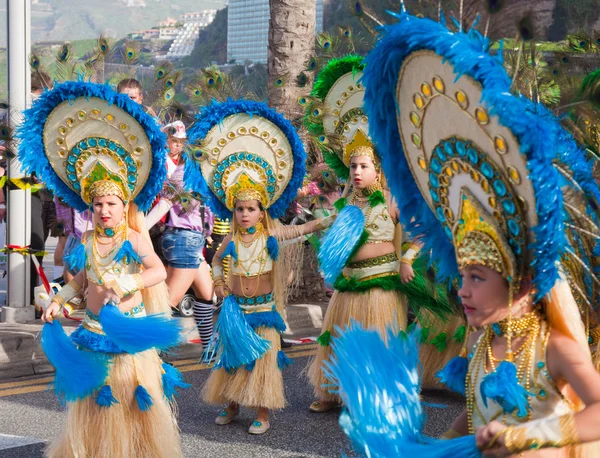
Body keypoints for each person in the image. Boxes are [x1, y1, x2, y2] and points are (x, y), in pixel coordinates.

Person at [325, 12, 600, 457]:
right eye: (464, 275)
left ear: (522, 285)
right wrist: (435, 446)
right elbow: (476, 417)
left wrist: (530, 434)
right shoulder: (482, 340)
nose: (463, 290)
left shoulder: (555, 347)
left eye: (476, 278)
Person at [18, 80, 185, 458]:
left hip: (126, 341)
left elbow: (158, 272)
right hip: (92, 334)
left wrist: (128, 280)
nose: (105, 210)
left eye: (111, 203)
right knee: (96, 408)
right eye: (98, 205)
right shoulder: (91, 241)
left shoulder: (135, 239)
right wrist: (60, 300)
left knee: (128, 406)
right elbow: (81, 280)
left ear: (124, 204)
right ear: (90, 208)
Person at [304, 55, 460, 412]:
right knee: (341, 338)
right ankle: (334, 391)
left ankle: (375, 395)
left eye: (364, 166)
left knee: (377, 341)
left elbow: (419, 235)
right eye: (354, 166)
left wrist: (406, 258)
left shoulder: (392, 201)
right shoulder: (346, 205)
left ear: (378, 168)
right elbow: (323, 231)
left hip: (382, 285)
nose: (357, 172)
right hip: (348, 285)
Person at [184, 100, 335, 434]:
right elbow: (216, 261)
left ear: (261, 210)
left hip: (264, 309)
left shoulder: (270, 234)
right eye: (239, 209)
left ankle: (263, 412)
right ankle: (232, 404)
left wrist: (320, 224)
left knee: (263, 363)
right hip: (237, 310)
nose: (244, 214)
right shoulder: (232, 241)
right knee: (234, 360)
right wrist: (221, 283)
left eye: (250, 208)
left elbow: (296, 230)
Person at [146, 120, 215, 350]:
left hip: (193, 242)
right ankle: (148, 353)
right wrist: (138, 230)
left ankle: (210, 349)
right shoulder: (182, 174)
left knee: (207, 296)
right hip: (183, 241)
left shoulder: (203, 176)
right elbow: (163, 205)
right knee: (167, 304)